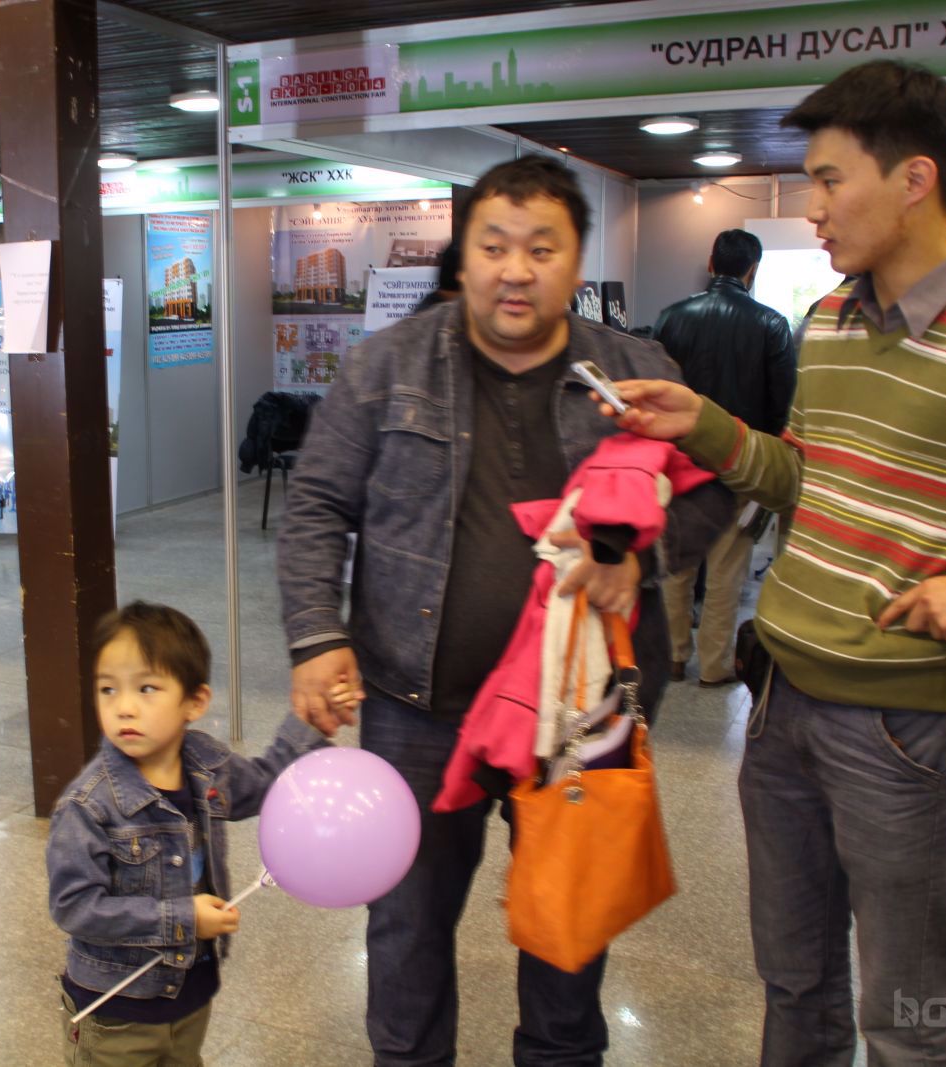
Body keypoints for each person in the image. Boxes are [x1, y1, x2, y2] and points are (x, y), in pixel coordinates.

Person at [601, 60, 946, 1066]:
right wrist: (703, 423)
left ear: (915, 179)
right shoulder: (831, 321)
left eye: (830, 180)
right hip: (781, 705)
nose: (814, 207)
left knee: (905, 1013)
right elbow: (803, 477)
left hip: (906, 732)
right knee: (793, 981)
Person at [278, 154, 730, 1066]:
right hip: (416, 707)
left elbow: (712, 488)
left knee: (569, 935)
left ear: (576, 262)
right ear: (465, 258)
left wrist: (636, 556)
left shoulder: (634, 370)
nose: (515, 270)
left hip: (582, 714)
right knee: (407, 930)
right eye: (493, 246)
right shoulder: (385, 364)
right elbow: (317, 503)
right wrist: (317, 636)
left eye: (541, 248)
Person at [46, 600, 327, 1065]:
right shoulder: (88, 804)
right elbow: (74, 907)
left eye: (147, 688)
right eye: (108, 689)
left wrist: (308, 722)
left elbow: (267, 784)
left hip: (190, 994)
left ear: (195, 702)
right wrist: (182, 919)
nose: (124, 707)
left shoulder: (206, 766)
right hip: (117, 1011)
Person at [653, 229, 796, 686]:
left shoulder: (672, 317)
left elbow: (658, 387)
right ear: (752, 270)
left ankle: (674, 656)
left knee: (676, 566)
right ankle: (715, 666)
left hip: (678, 463)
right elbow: (782, 404)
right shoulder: (771, 324)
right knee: (727, 573)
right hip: (740, 461)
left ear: (712, 263)